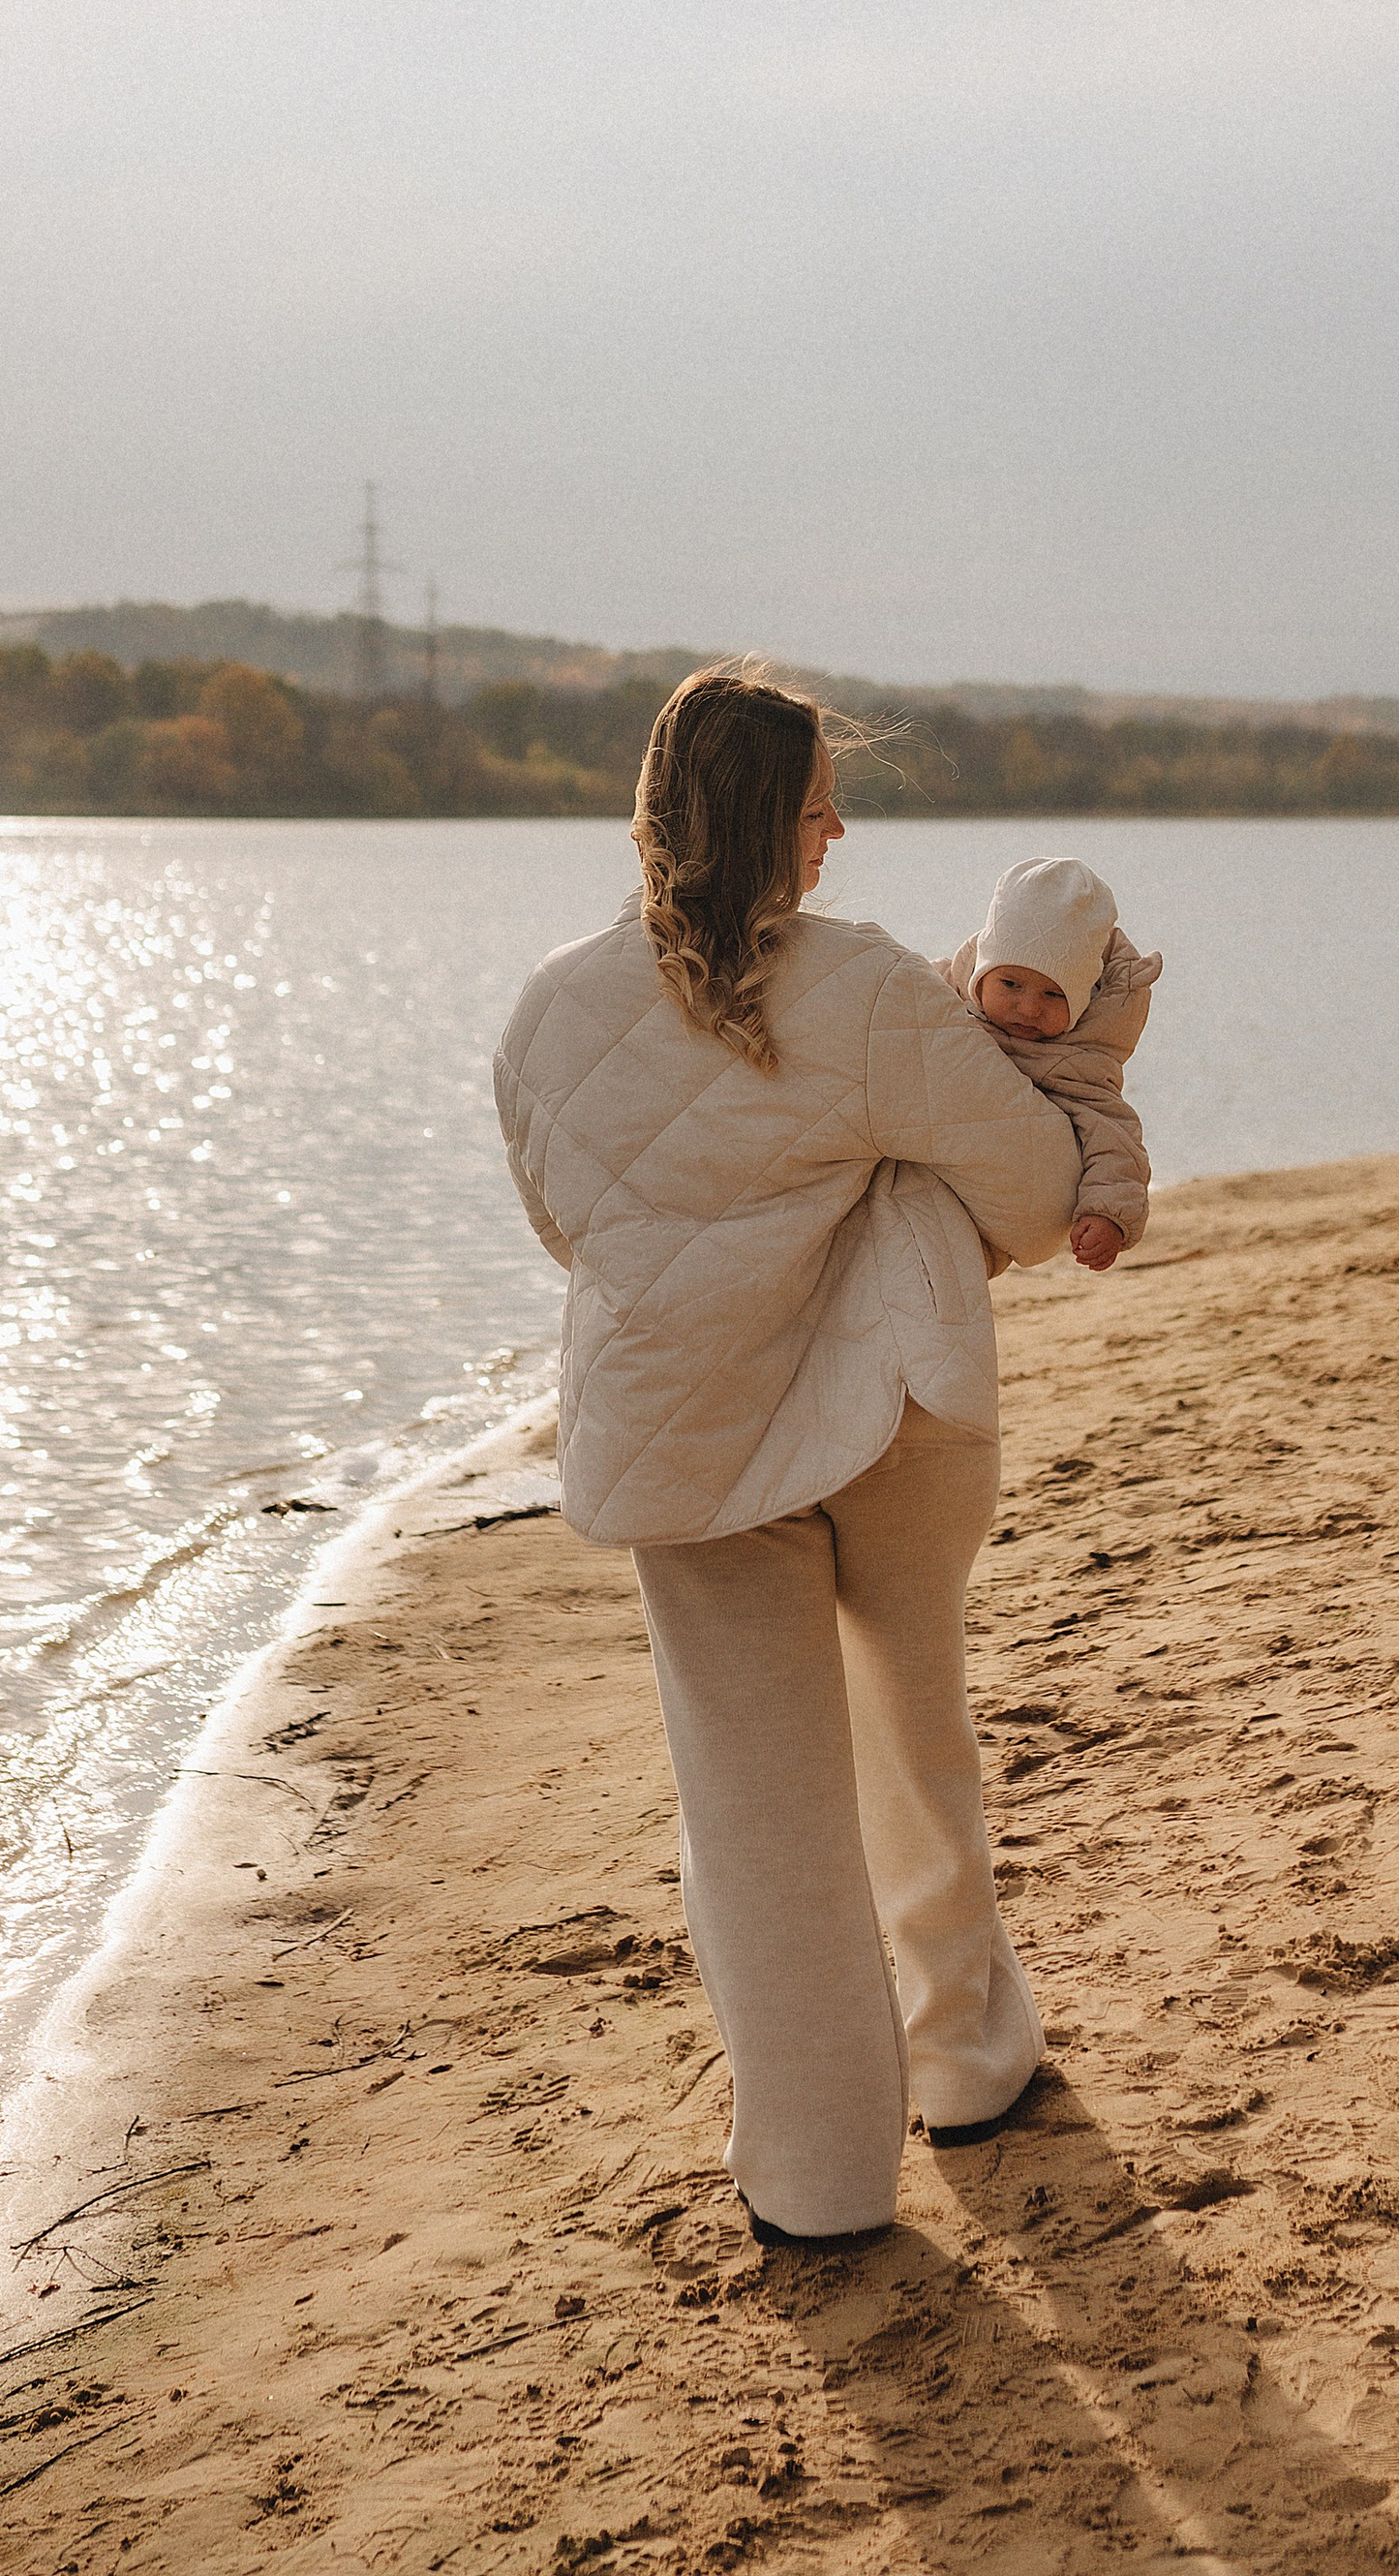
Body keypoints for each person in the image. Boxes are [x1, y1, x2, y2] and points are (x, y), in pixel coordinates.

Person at [493, 664, 1083, 2249]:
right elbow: (1034, 1189)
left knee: (761, 1817)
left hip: (689, 1443)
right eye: (825, 799)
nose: (844, 825)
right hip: (883, 1423)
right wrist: (878, 1187)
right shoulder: (875, 988)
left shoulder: (550, 1007)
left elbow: (570, 1229)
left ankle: (820, 2187)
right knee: (910, 1726)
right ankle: (967, 2057)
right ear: (775, 821)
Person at [935, 854, 1163, 1276]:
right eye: (1010, 985)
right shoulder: (939, 995)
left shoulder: (1079, 1063)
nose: (1028, 1008)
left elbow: (1115, 1141)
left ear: (1081, 1001)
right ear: (982, 973)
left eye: (1053, 995)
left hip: (990, 1220)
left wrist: (1109, 1216)